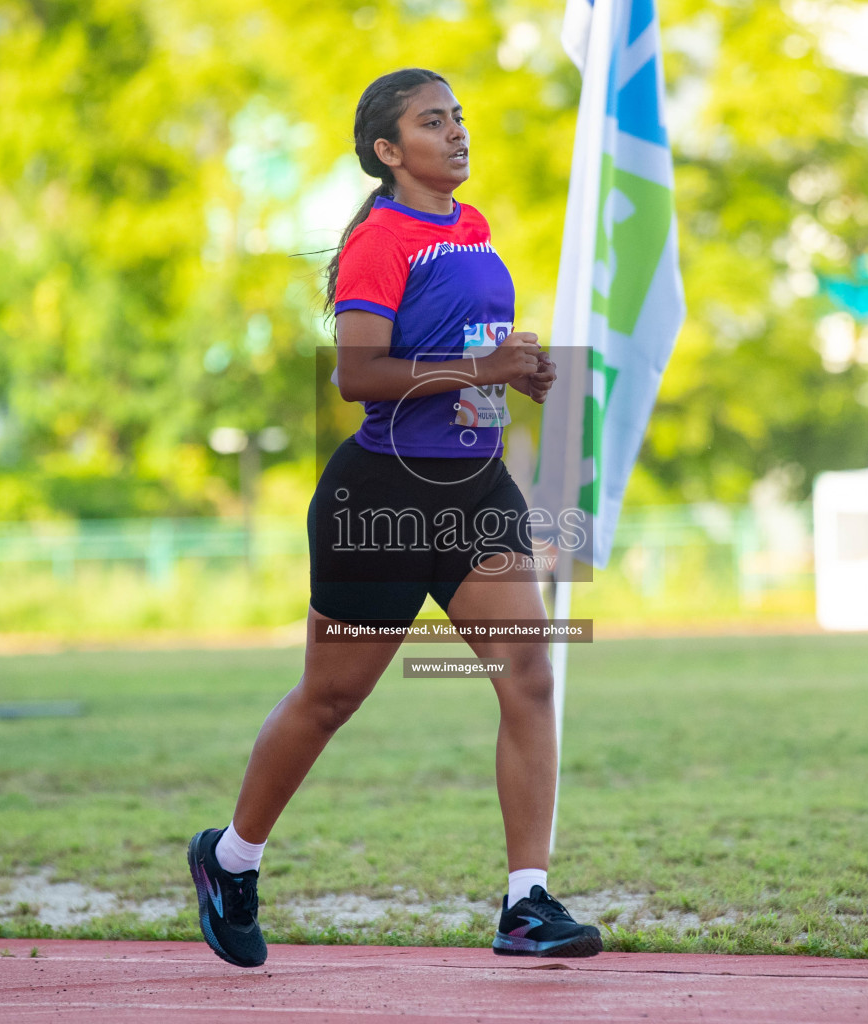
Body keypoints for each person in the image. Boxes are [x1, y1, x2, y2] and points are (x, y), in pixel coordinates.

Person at [186, 68, 601, 968]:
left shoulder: (474, 225)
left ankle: (526, 904)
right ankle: (231, 858)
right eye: (432, 122)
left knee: (529, 676)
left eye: (458, 118)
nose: (456, 133)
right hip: (381, 499)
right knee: (331, 699)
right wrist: (481, 374)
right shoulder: (381, 241)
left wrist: (513, 364)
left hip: (475, 493)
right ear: (388, 150)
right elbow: (359, 377)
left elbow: (465, 353)